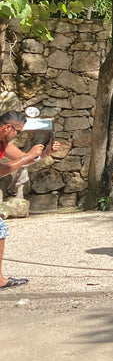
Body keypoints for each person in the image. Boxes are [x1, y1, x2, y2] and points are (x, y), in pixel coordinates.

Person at [0, 109, 61, 289]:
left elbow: (22, 160)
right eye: (17, 131)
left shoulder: (4, 143)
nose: (17, 135)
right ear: (6, 127)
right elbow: (3, 169)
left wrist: (45, 153)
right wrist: (27, 156)